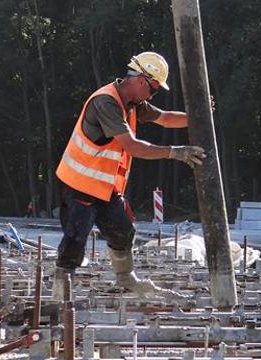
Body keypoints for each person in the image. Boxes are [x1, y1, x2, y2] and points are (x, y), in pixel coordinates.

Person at [52, 51, 206, 299]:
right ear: (142, 80)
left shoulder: (132, 103)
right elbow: (132, 146)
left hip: (104, 188)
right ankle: (61, 293)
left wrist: (198, 118)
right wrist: (175, 152)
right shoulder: (106, 102)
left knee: (123, 231)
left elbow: (165, 118)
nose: (153, 95)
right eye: (154, 89)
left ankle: (126, 279)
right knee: (75, 239)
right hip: (80, 184)